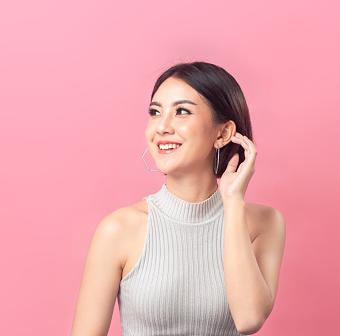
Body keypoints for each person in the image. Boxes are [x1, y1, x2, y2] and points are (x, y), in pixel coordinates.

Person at [70, 61, 286, 336]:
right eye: (155, 112)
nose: (162, 127)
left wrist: (232, 201)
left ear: (222, 133)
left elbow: (248, 319)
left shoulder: (264, 224)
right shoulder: (118, 229)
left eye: (182, 111)